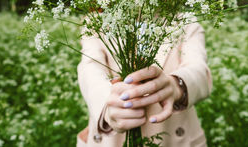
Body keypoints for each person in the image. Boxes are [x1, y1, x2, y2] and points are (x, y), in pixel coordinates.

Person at [76, 20, 212, 147]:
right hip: (112, 139)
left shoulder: (186, 22)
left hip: (174, 137)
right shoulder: (96, 22)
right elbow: (90, 68)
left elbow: (198, 69)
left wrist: (176, 85)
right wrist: (107, 105)